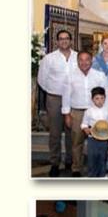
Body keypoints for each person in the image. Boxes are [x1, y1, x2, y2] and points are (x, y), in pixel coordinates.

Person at [38, 29, 78, 176]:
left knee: (71, 131)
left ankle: (69, 160)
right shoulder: (49, 58)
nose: (64, 41)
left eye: (66, 38)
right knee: (55, 132)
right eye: (61, 39)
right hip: (55, 98)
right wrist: (53, 91)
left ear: (70, 40)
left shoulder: (77, 57)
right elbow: (41, 79)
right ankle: (54, 162)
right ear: (57, 41)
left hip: (73, 98)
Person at [63, 51, 108, 177]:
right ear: (77, 61)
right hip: (77, 112)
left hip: (96, 113)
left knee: (98, 142)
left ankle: (96, 168)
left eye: (87, 59)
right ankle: (76, 168)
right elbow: (66, 96)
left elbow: (107, 96)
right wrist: (67, 114)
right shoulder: (70, 76)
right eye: (81, 60)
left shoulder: (100, 75)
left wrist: (107, 114)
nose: (84, 62)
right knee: (76, 142)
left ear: (92, 60)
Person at [81, 87, 108, 178]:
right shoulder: (88, 111)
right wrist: (86, 129)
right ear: (92, 99)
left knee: (102, 157)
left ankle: (102, 174)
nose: (99, 101)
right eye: (97, 98)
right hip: (92, 138)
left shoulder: (107, 109)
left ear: (105, 98)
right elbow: (84, 124)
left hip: (104, 137)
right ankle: (92, 175)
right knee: (92, 157)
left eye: (102, 98)